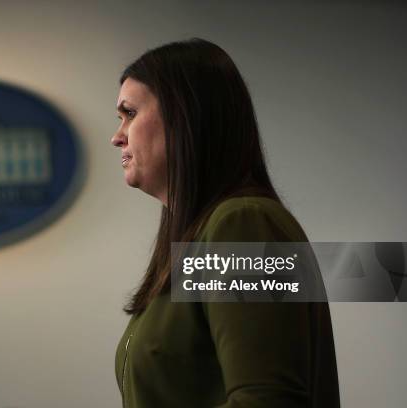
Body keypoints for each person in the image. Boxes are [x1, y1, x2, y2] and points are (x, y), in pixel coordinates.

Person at [110, 38, 340, 408]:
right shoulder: (200, 236)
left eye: (130, 114)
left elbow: (266, 401)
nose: (117, 136)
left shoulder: (244, 223)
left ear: (184, 115)